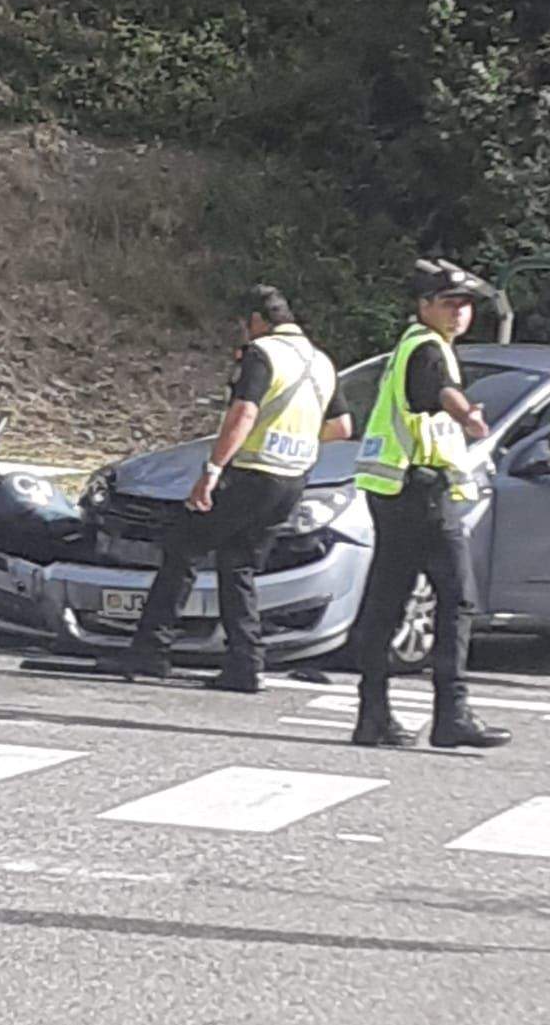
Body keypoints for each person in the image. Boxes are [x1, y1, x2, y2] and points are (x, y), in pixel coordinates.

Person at [110, 285, 352, 692]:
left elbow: (243, 413)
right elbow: (342, 428)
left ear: (256, 321)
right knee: (239, 566)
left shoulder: (263, 354)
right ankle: (245, 663)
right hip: (292, 481)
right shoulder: (321, 362)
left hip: (251, 474)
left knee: (183, 548)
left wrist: (212, 469)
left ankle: (150, 653)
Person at [351, 259, 510, 751]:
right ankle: (451, 713)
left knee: (388, 601)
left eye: (464, 304)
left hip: (397, 489)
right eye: (449, 303)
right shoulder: (426, 348)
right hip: (418, 492)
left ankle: (372, 714)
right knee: (457, 598)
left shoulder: (411, 346)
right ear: (424, 307)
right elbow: (442, 393)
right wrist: (471, 419)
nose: (460, 312)